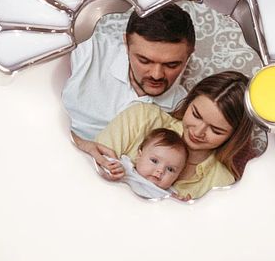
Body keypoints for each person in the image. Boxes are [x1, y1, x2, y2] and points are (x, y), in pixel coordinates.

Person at [82, 71, 255, 201]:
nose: (198, 132)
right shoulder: (142, 118)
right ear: (189, 101)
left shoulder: (222, 183)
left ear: (234, 136)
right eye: (196, 115)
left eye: (216, 130)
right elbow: (89, 169)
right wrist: (81, 144)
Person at [60, 5, 196, 149]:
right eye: (144, 61)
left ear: (189, 55)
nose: (156, 75)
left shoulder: (185, 110)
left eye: (171, 65)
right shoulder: (85, 50)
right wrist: (78, 143)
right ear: (126, 43)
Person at [111, 128, 188, 201]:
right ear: (139, 156)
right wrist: (113, 168)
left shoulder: (170, 196)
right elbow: (106, 165)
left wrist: (181, 204)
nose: (160, 170)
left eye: (170, 169)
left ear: (178, 176)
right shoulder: (126, 168)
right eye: (154, 161)